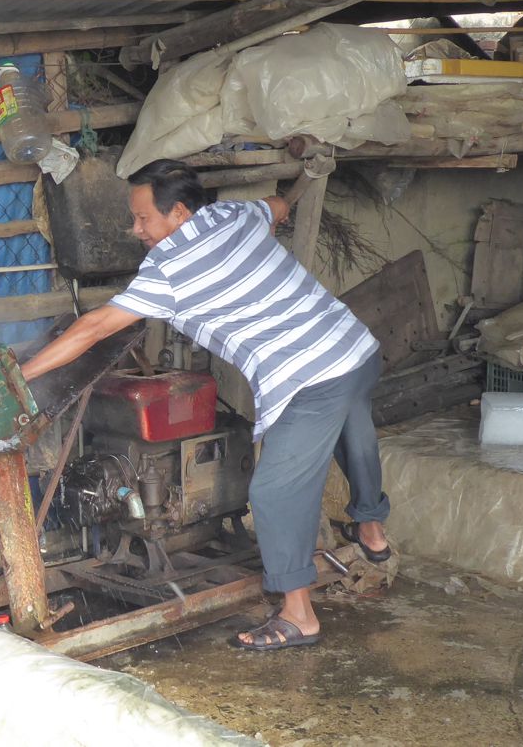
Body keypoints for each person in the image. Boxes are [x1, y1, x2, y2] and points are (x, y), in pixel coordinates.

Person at [20, 159, 391, 652]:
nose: (135, 230)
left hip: (308, 379)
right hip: (354, 347)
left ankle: (299, 616)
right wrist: (275, 212)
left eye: (142, 218)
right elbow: (278, 207)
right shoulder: (231, 214)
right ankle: (371, 529)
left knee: (276, 492)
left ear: (178, 213)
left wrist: (20, 376)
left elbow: (92, 329)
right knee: (353, 430)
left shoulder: (167, 271)